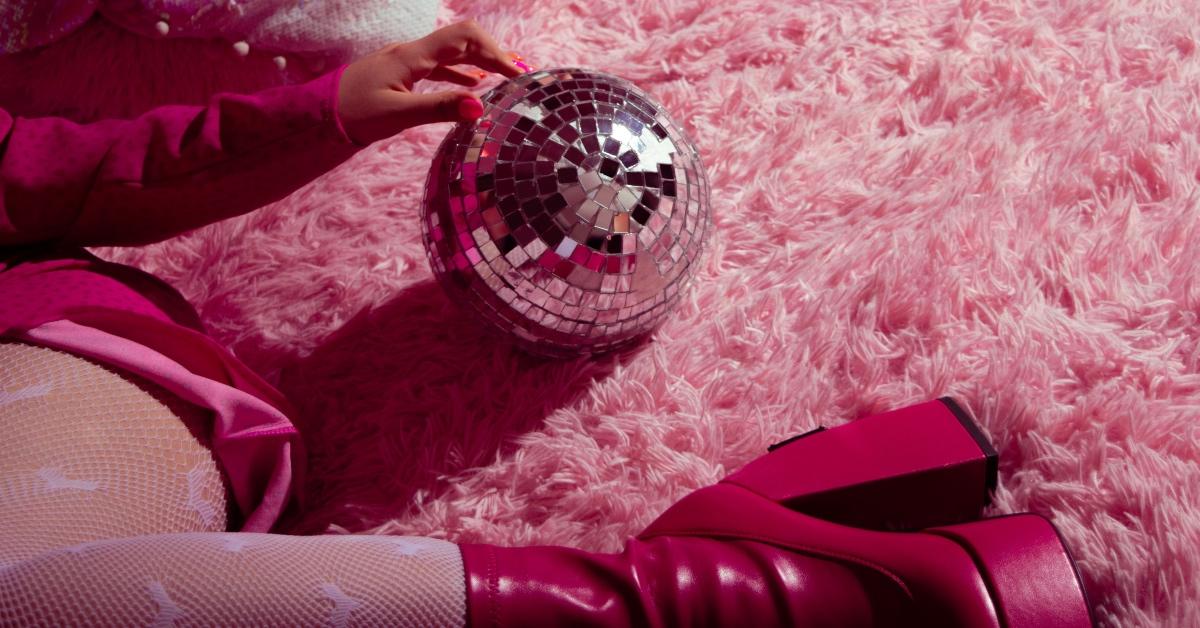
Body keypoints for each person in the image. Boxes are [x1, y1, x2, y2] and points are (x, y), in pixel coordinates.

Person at [0, 20, 1093, 627]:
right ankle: (725, 575)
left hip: (40, 359)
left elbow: (74, 180)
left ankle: (763, 601)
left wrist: (328, 106)